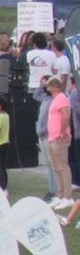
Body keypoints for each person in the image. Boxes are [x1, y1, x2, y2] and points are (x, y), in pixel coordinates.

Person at [45, 77, 73, 208]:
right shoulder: (55, 99)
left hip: (59, 138)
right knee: (56, 168)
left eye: (49, 85)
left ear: (54, 87)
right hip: (52, 138)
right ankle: (60, 194)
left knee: (62, 166)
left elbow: (66, 115)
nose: (47, 88)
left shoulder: (62, 98)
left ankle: (68, 196)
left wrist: (62, 132)